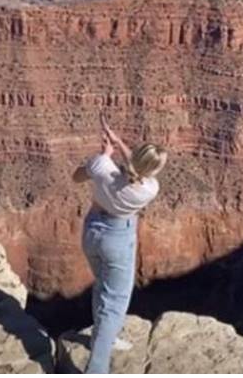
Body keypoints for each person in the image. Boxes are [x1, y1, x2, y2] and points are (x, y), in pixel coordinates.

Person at [71, 114, 167, 373]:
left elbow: (76, 177)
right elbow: (137, 169)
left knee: (102, 287)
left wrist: (104, 155)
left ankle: (104, 338)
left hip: (92, 233)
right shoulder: (149, 189)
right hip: (118, 239)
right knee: (114, 301)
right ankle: (97, 368)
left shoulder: (102, 166)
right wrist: (118, 145)